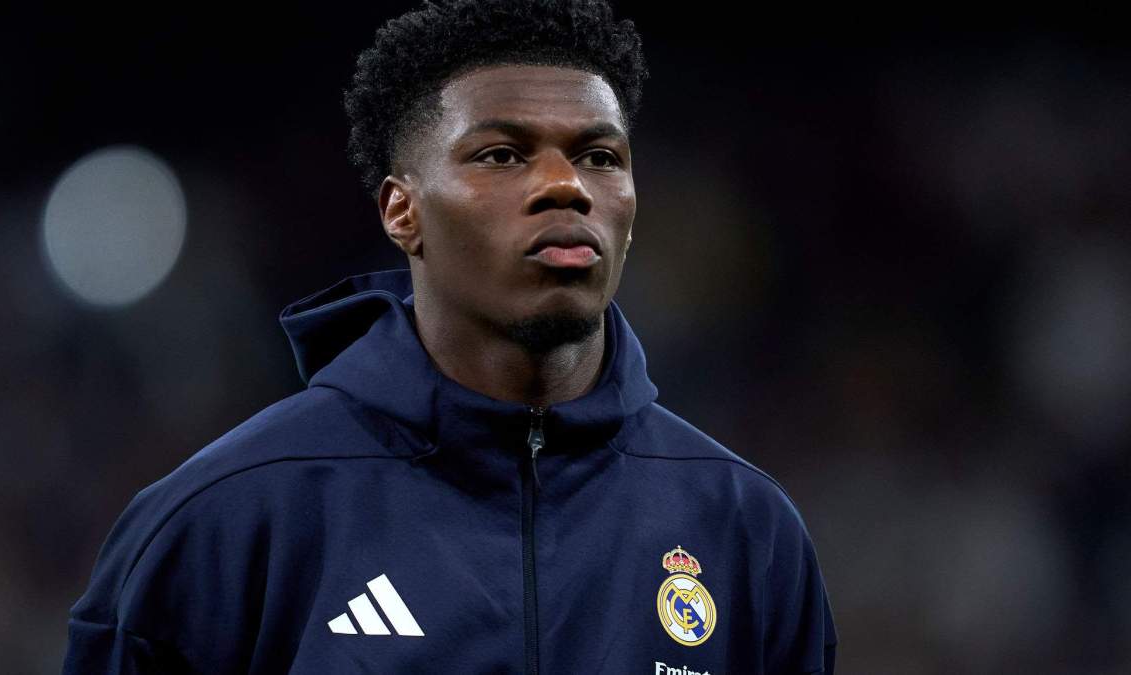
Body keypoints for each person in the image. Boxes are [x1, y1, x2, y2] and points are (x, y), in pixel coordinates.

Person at [63, 0, 837, 673]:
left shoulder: (745, 527)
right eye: (502, 154)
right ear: (402, 211)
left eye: (600, 156)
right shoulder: (225, 519)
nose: (566, 184)